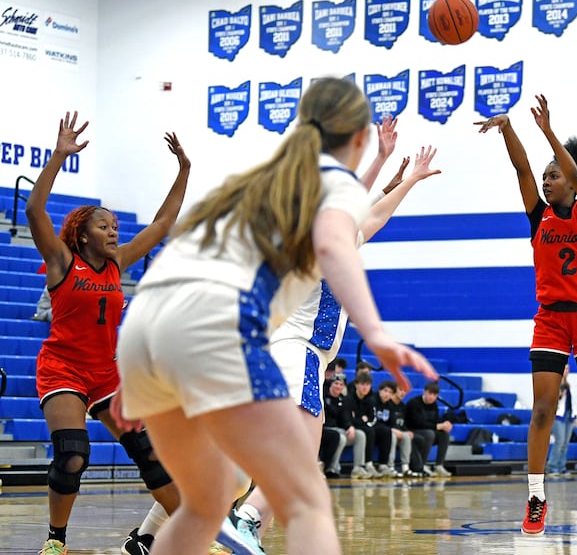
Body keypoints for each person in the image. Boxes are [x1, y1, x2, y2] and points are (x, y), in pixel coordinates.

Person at [113, 77, 436, 555]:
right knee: (304, 488)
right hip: (285, 347)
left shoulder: (260, 190)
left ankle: (157, 538)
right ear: (356, 137)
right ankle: (247, 520)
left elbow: (365, 214)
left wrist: (138, 368)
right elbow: (340, 229)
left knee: (210, 496)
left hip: (159, 330)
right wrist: (376, 333)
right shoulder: (320, 213)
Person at [25, 112, 190, 555]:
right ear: (82, 236)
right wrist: (59, 155)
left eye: (115, 225)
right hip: (62, 369)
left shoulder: (117, 265)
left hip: (105, 374)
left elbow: (160, 225)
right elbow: (34, 210)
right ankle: (56, 541)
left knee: (151, 453)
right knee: (73, 454)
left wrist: (185, 170)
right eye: (104, 226)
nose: (114, 230)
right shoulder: (62, 262)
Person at [475, 94, 577, 540]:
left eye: (555, 175)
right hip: (551, 320)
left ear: (573, 183)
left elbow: (571, 169)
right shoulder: (539, 218)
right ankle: (535, 497)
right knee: (542, 411)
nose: (548, 181)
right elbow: (521, 171)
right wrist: (509, 128)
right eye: (547, 176)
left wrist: (549, 133)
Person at [318, 373, 367, 478]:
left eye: (341, 384)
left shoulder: (344, 400)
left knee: (360, 435)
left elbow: (346, 417)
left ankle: (358, 468)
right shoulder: (323, 396)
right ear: (331, 384)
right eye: (336, 383)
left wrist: (350, 426)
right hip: (324, 429)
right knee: (340, 437)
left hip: (338, 429)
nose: (338, 386)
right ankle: (332, 467)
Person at [404, 381, 452, 477]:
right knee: (430, 434)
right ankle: (422, 464)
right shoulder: (414, 403)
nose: (431, 397)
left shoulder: (434, 405)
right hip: (412, 430)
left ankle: (439, 465)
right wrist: (437, 426)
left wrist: (445, 425)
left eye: (434, 395)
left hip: (426, 430)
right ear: (424, 392)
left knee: (444, 435)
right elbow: (417, 423)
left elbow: (436, 420)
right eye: (430, 393)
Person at [545, 364, 576, 476]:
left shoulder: (568, 384)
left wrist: (574, 415)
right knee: (559, 441)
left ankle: (562, 466)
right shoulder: (555, 383)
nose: (566, 371)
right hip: (557, 416)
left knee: (565, 443)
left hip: (568, 415)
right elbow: (552, 400)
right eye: (564, 368)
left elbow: (570, 402)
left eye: (568, 369)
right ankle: (551, 467)